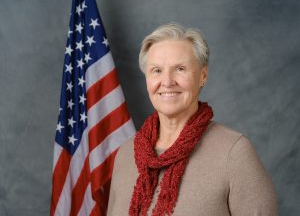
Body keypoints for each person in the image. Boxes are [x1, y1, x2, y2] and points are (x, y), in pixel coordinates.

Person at [107, 23, 277, 216]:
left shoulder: (234, 152)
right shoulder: (126, 154)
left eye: (180, 68)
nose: (168, 81)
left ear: (203, 76)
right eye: (156, 70)